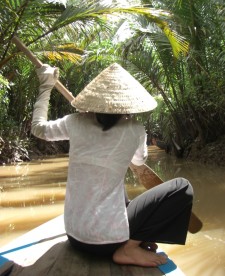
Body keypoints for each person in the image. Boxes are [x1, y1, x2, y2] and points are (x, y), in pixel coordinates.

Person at [31, 63, 193, 267]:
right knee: (182, 187)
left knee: (117, 187)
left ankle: (135, 238)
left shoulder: (74, 122)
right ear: (127, 104)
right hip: (110, 243)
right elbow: (139, 161)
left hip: (74, 236)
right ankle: (129, 247)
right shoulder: (135, 130)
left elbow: (39, 129)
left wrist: (46, 85)